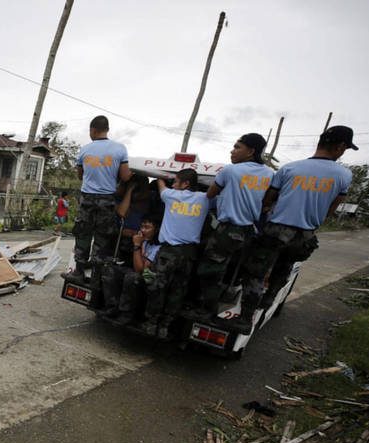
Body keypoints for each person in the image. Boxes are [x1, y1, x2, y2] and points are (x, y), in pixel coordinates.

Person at [227, 126, 356, 333]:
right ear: (340, 146)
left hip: (277, 229)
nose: (343, 151)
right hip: (305, 233)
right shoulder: (344, 175)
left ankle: (244, 318)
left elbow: (269, 199)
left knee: (256, 272)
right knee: (283, 268)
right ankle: (268, 301)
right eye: (345, 148)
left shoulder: (289, 169)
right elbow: (333, 206)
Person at [194, 133, 274, 319]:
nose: (232, 150)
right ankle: (245, 314)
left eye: (238, 147)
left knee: (210, 270)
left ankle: (207, 309)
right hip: (250, 230)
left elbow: (210, 194)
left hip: (228, 229)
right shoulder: (270, 174)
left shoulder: (230, 171)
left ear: (251, 151)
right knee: (246, 272)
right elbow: (268, 201)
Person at [143, 168, 213, 339]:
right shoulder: (205, 199)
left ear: (185, 184)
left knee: (158, 287)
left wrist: (163, 176)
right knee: (178, 290)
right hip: (188, 254)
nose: (173, 184)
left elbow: (160, 183)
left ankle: (152, 323)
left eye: (175, 181)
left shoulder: (171, 195)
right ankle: (165, 326)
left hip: (169, 252)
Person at [64, 115, 132, 281]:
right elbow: (125, 176)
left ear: (93, 130)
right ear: (107, 129)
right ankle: (96, 275)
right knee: (102, 236)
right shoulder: (120, 149)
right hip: (107, 199)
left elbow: (81, 175)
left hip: (87, 198)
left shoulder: (85, 150)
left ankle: (79, 271)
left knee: (83, 233)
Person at [102, 214, 161, 324]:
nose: (143, 230)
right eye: (142, 227)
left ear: (156, 229)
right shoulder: (145, 241)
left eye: (147, 227)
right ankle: (112, 307)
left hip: (149, 281)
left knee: (132, 277)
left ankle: (127, 313)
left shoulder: (158, 247)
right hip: (137, 273)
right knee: (109, 270)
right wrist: (142, 244)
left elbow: (139, 270)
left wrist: (137, 245)